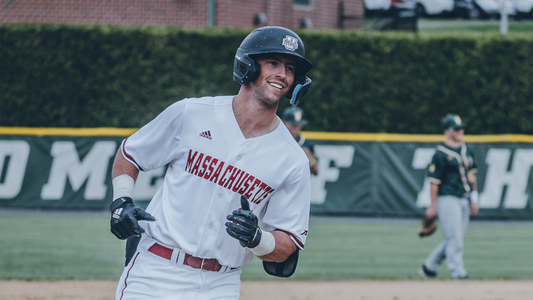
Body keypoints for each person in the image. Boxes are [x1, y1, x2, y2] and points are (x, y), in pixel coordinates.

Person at [108, 26, 313, 299]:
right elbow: (130, 154)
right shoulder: (191, 113)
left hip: (221, 283)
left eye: (290, 68)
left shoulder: (292, 159)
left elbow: (289, 241)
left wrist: (257, 238)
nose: (282, 74)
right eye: (273, 63)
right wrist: (121, 201)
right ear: (248, 66)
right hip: (155, 271)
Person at [418, 114, 479, 279]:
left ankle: (429, 267)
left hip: (464, 198)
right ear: (447, 131)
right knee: (455, 239)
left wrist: (474, 199)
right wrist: (432, 206)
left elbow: (472, 176)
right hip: (447, 198)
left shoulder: (467, 149)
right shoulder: (440, 154)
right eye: (456, 129)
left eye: (461, 128)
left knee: (455, 238)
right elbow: (434, 182)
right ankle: (458, 272)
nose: (461, 131)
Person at [281, 107, 318, 175]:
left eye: (299, 125)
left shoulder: (307, 144)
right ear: (284, 122)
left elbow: (316, 172)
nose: (296, 128)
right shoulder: (277, 141)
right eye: (293, 125)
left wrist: (312, 163)